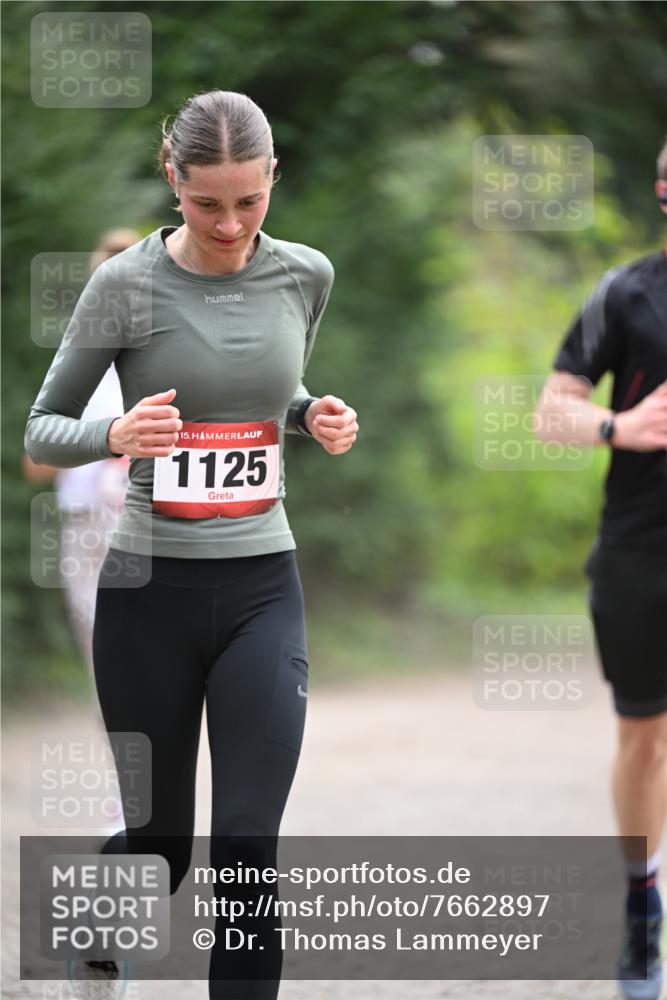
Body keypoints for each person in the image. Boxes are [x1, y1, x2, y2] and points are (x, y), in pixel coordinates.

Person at [24, 90, 359, 999]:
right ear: (174, 180)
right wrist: (114, 437)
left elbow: (264, 397)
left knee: (247, 846)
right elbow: (41, 428)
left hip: (261, 586)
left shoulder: (306, 274)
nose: (229, 222)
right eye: (207, 202)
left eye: (249, 201)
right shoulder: (123, 285)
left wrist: (310, 415)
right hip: (147, 591)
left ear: (272, 178)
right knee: (163, 849)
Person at [535, 137, 667, 1000]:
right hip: (640, 551)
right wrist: (618, 428)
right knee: (644, 738)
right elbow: (552, 413)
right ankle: (640, 905)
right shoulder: (625, 293)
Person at [23, 228, 140, 673]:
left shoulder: (161, 362)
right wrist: (103, 443)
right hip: (83, 520)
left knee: (135, 632)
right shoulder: (78, 365)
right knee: (94, 635)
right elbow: (36, 462)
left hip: (137, 518)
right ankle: (118, 730)